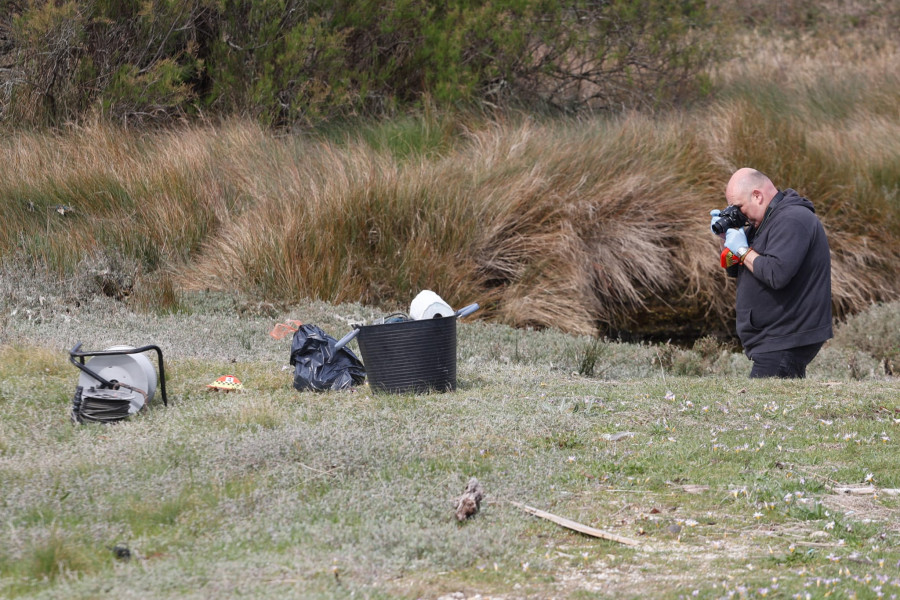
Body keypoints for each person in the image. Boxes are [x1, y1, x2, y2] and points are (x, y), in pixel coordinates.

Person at [710, 168, 833, 378]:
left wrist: (742, 249)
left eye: (738, 207)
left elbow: (777, 274)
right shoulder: (762, 223)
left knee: (758, 406)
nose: (737, 214)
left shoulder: (793, 219)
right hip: (774, 338)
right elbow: (734, 268)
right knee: (779, 406)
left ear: (757, 196)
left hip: (786, 336)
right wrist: (725, 240)